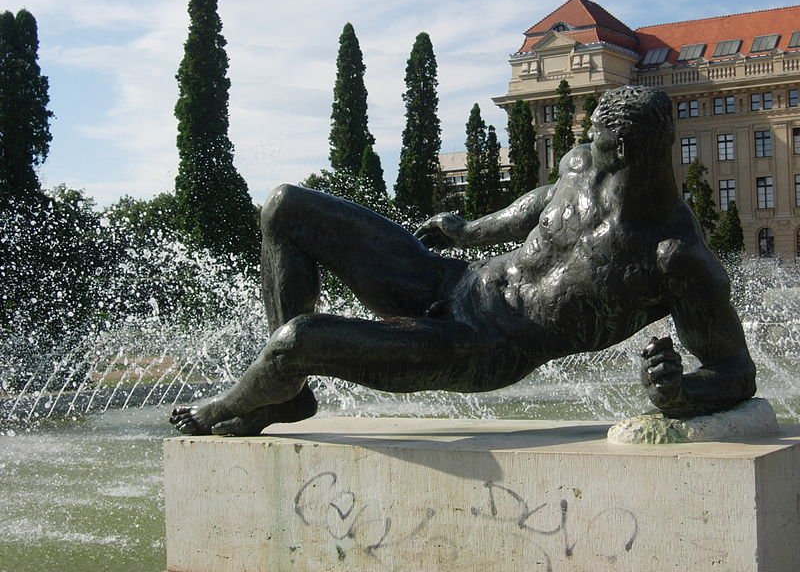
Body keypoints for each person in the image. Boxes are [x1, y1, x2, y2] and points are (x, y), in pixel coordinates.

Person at [170, 86, 756, 436]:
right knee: (286, 208)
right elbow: (536, 209)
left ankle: (245, 396)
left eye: (599, 139)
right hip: (454, 280)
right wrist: (466, 230)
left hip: (481, 346)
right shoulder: (582, 164)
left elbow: (736, 371)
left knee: (298, 339)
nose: (583, 145)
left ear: (626, 150)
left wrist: (682, 394)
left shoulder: (674, 258)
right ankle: (287, 396)